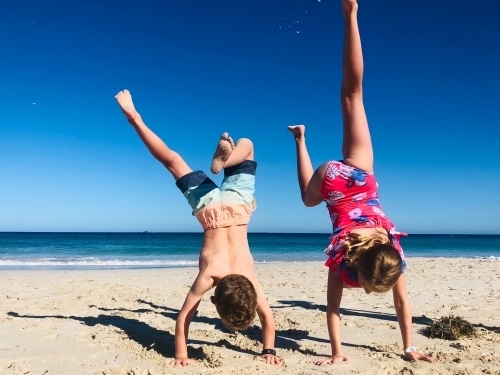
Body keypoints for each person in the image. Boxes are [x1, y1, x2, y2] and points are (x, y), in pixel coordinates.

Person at [287, 0, 433, 366]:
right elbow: (333, 309)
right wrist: (404, 347)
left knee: (353, 95)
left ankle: (350, 14)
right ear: (362, 273)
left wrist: (342, 355)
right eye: (372, 289)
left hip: (357, 174)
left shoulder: (391, 252)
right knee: (308, 199)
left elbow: (397, 301)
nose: (372, 294)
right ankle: (300, 140)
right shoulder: (343, 260)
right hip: (333, 187)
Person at [115, 89, 280, 367]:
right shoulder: (209, 277)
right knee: (172, 161)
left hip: (238, 210)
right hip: (210, 211)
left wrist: (269, 350)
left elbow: (268, 319)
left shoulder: (250, 281)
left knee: (248, 144)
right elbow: (183, 319)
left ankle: (230, 161)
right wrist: (182, 355)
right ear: (214, 301)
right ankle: (135, 118)